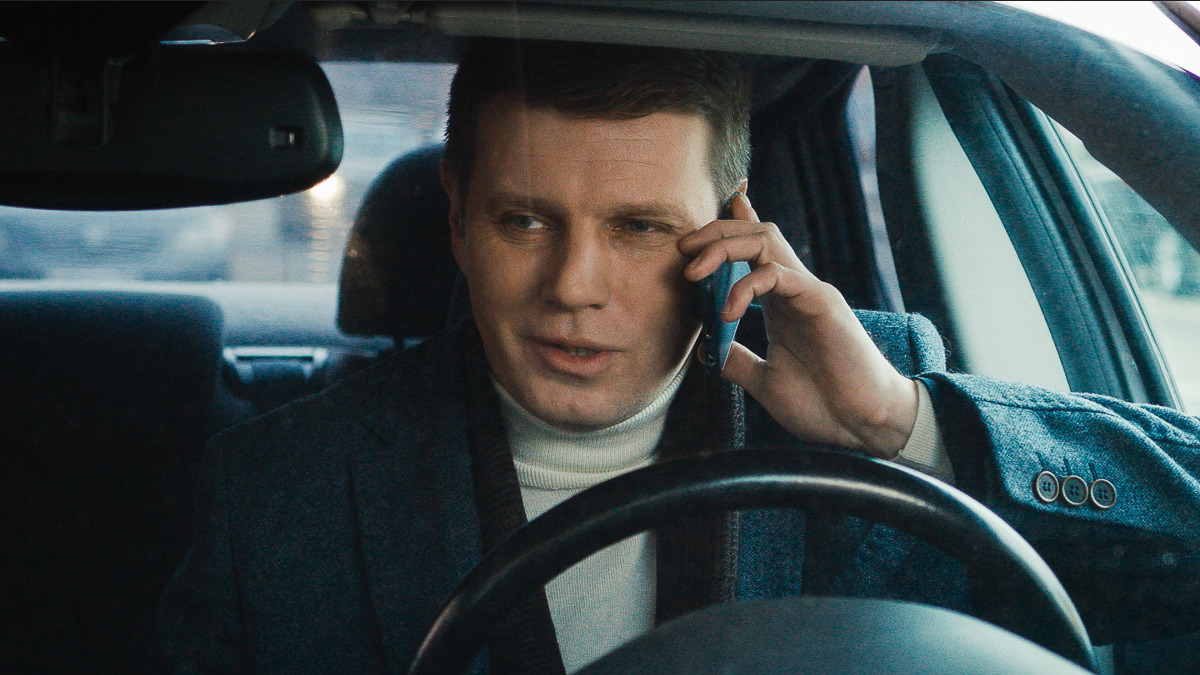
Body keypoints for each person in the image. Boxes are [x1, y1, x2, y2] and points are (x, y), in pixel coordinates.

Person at [155, 40, 1200, 673]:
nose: (574, 285)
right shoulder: (276, 492)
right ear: (457, 215)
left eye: (641, 228)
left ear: (731, 228)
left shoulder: (877, 413)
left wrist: (900, 426)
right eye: (524, 220)